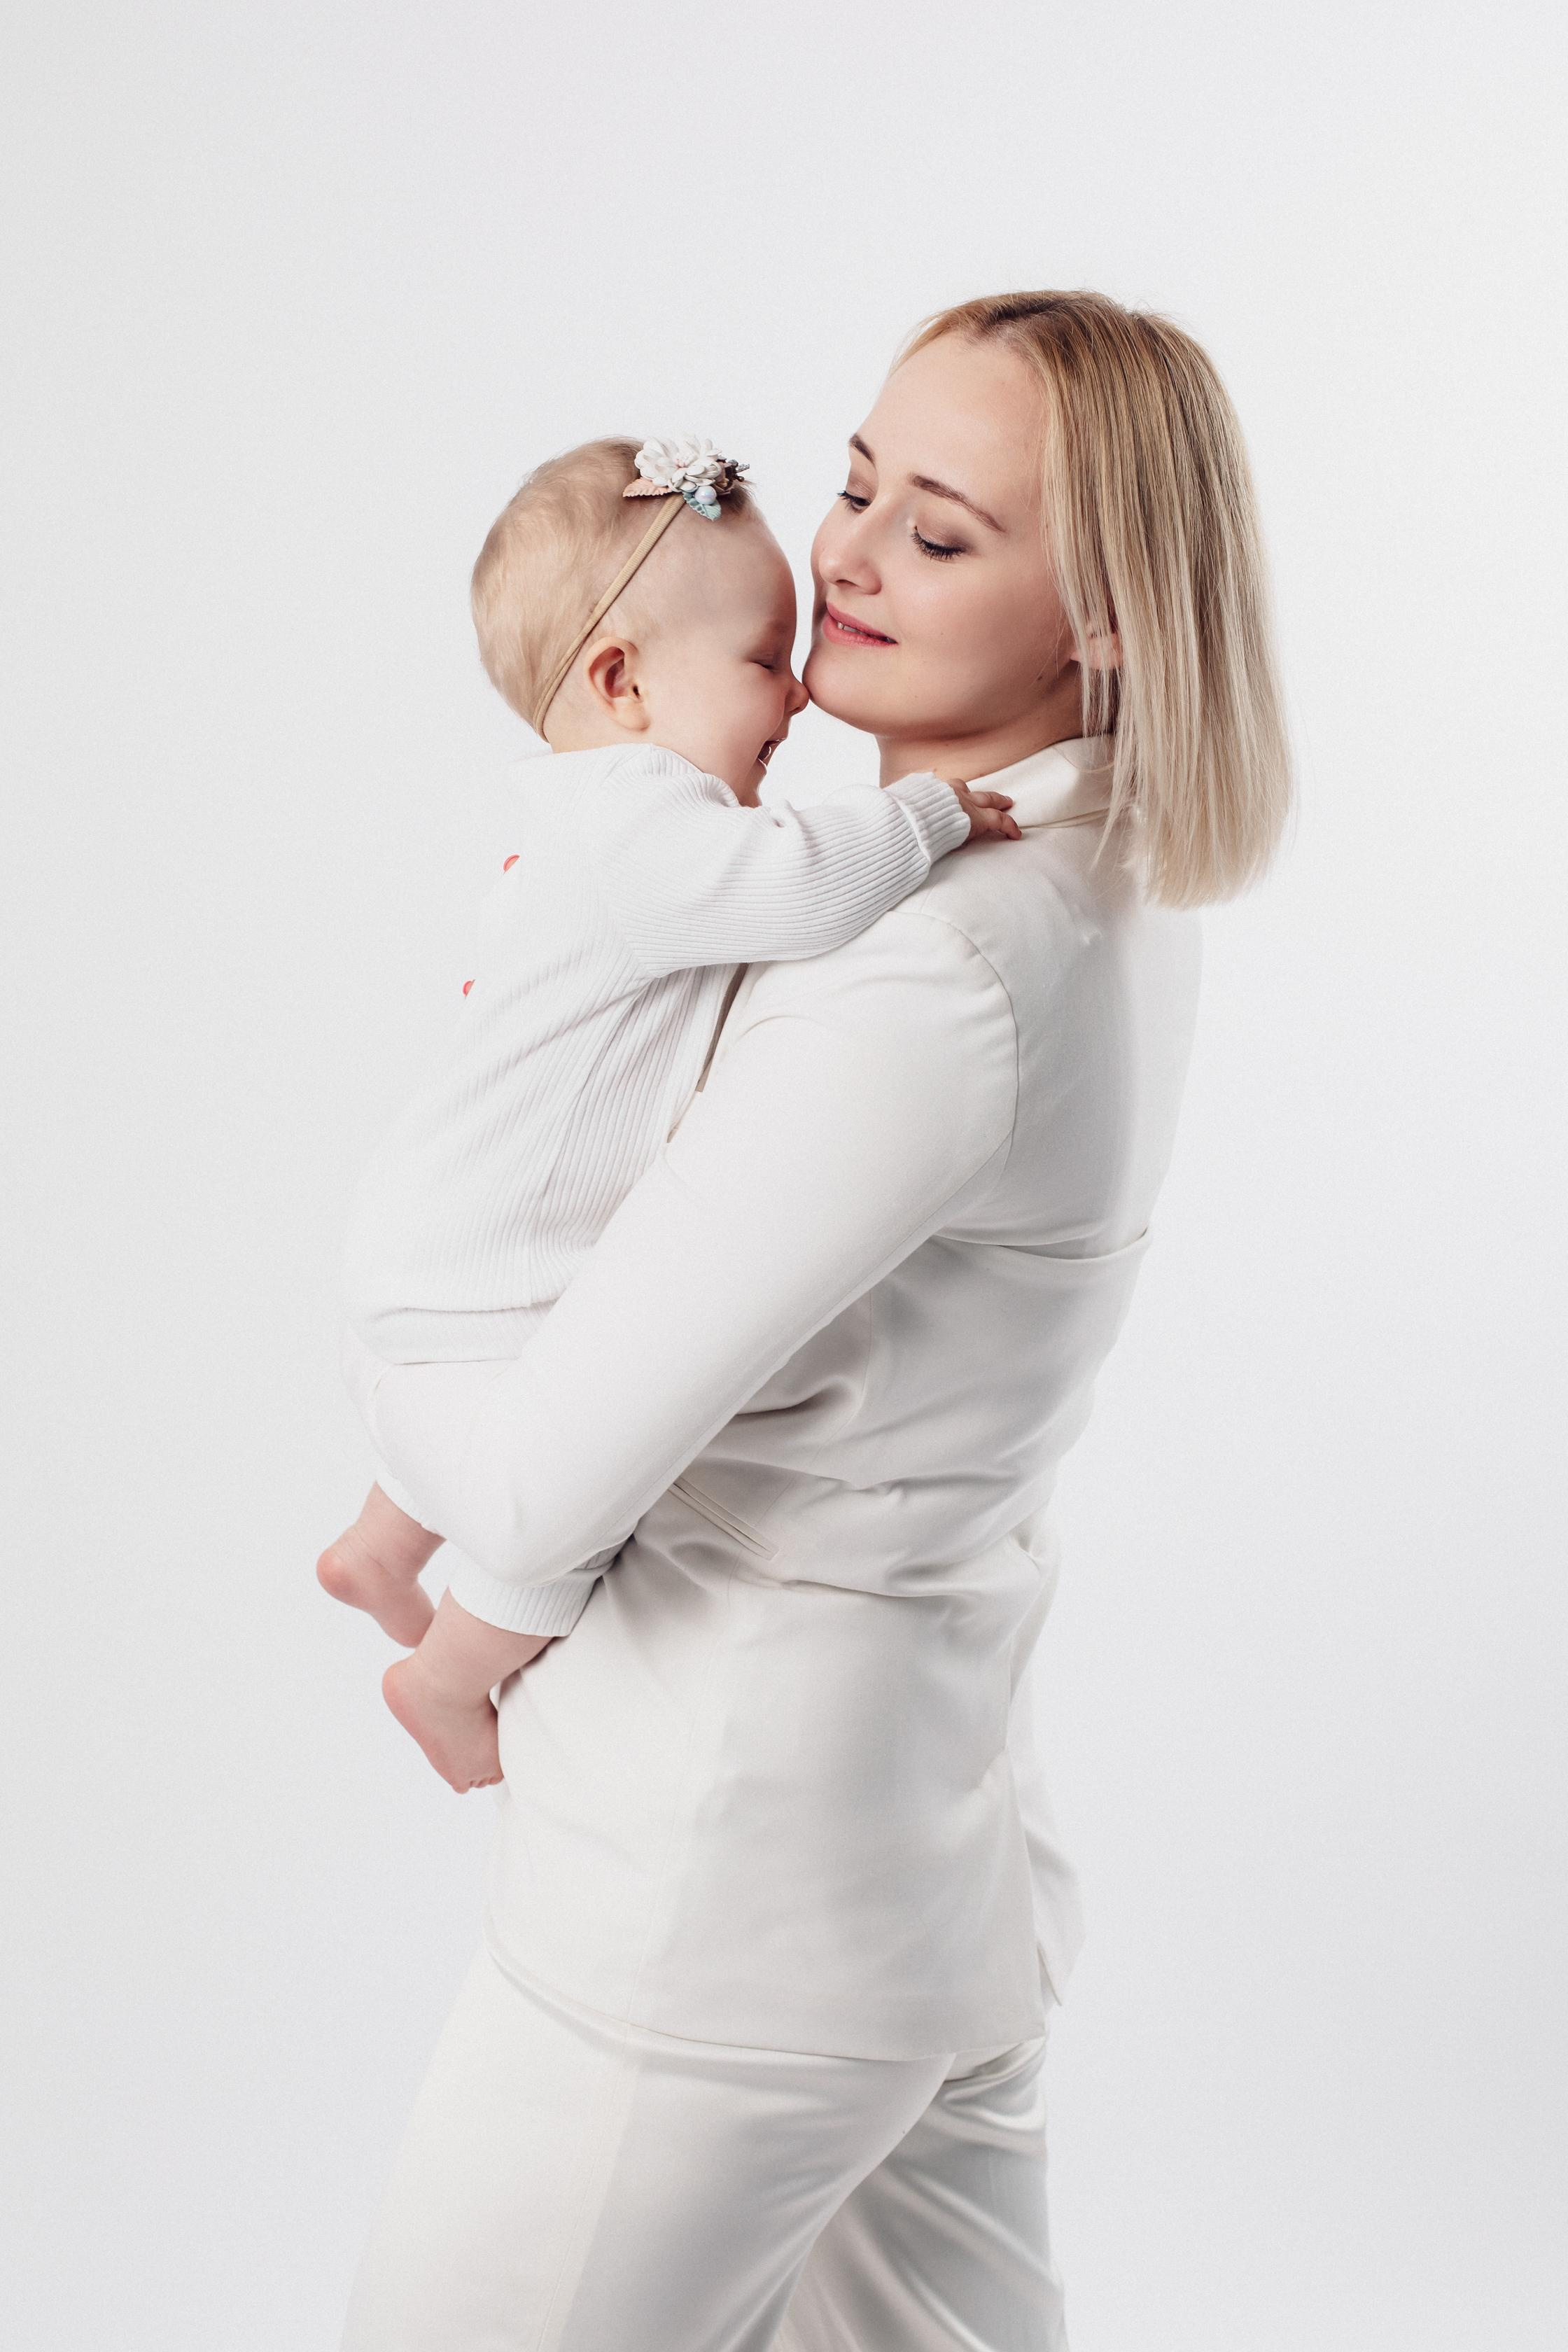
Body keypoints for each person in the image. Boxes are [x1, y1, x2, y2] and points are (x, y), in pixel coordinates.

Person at [341, 289, 1292, 2352]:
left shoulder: (927, 971)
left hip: (716, 1923)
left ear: (1108, 613)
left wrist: (428, 1518)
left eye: (940, 533)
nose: (845, 557)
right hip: (922, 1881)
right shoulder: (1097, 877)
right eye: (857, 485)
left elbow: (542, 1467)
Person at [318, 433, 1017, 1791]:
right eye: (765, 659)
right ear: (621, 683)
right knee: (571, 1494)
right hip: (482, 1281)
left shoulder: (601, 829)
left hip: (435, 1260)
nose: (797, 699)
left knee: (483, 1411)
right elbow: (803, 889)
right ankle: (450, 1681)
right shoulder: (645, 822)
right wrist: (929, 816)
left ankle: (382, 1546)